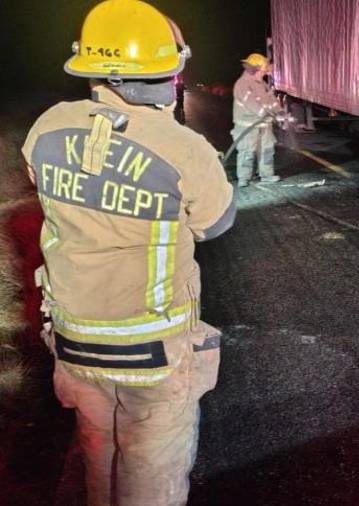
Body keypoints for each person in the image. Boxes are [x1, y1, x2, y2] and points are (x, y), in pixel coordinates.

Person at [20, 1, 235, 504]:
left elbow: (49, 187)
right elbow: (216, 224)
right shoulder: (182, 148)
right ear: (169, 72)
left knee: (98, 451)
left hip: (74, 344)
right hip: (151, 356)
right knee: (149, 470)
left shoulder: (45, 128)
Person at [232, 53, 286, 187]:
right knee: (247, 151)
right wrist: (267, 115)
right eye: (263, 70)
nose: (265, 73)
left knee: (267, 150)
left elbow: (271, 99)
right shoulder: (242, 84)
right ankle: (244, 178)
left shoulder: (261, 83)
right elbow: (251, 104)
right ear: (255, 69)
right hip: (247, 126)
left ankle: (266, 175)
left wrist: (279, 111)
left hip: (264, 125)